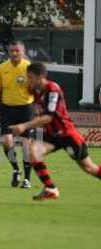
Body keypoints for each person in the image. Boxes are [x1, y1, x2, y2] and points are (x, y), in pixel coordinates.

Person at [10, 62, 101, 200]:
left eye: (30, 77)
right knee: (33, 151)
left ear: (40, 77)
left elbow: (48, 117)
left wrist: (24, 126)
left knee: (89, 168)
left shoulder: (53, 89)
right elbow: (29, 96)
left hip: (67, 134)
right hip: (52, 135)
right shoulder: (34, 90)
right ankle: (50, 188)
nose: (28, 80)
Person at [0, 40, 34, 188]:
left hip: (26, 109)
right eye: (12, 51)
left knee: (26, 145)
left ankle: (27, 179)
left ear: (23, 52)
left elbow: (38, 88)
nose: (14, 53)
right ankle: (16, 170)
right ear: (8, 52)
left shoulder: (29, 68)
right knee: (7, 142)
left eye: (17, 51)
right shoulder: (2, 68)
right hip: (7, 109)